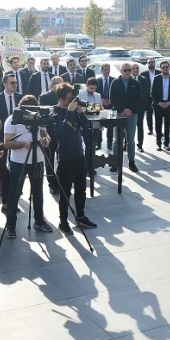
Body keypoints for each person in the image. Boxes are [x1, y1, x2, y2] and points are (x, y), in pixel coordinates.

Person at [3, 95, 51, 239]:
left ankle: (39, 220)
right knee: (15, 192)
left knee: (38, 191)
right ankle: (11, 225)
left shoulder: (39, 118)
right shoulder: (12, 119)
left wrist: (46, 139)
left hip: (38, 160)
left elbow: (44, 134)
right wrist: (23, 144)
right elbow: (7, 143)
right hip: (18, 161)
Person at [54, 83, 96, 234]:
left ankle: (81, 216)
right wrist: (70, 112)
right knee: (65, 193)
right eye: (69, 98)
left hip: (79, 155)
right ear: (61, 98)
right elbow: (61, 133)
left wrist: (80, 112)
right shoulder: (55, 112)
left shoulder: (74, 110)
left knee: (81, 189)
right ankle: (63, 221)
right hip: (65, 158)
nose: (72, 100)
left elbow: (85, 126)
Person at [110, 62, 141, 172]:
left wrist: (129, 110)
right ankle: (114, 162)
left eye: (129, 70)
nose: (128, 72)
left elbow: (138, 99)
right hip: (119, 114)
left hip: (132, 114)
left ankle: (131, 162)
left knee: (131, 140)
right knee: (117, 139)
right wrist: (122, 110)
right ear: (121, 71)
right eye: (125, 70)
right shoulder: (115, 83)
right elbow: (113, 99)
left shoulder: (136, 83)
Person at [151, 60, 170, 151]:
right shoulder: (156, 78)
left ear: (169, 68)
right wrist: (159, 102)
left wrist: (169, 103)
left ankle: (166, 144)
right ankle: (158, 143)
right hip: (159, 105)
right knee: (158, 125)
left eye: (166, 67)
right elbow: (153, 93)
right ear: (161, 69)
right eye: (163, 67)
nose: (165, 69)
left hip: (169, 105)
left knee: (167, 125)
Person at [131, 63, 151, 153]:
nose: (135, 70)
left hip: (140, 108)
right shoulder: (128, 80)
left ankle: (140, 145)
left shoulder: (143, 79)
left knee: (140, 126)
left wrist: (140, 105)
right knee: (129, 127)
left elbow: (146, 94)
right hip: (130, 109)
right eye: (133, 68)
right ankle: (127, 144)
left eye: (137, 68)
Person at [139, 59, 158, 136]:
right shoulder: (143, 74)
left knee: (158, 114)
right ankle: (150, 129)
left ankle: (158, 129)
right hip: (148, 97)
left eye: (152, 62)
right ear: (147, 64)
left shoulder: (159, 73)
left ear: (154, 63)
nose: (151, 64)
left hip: (157, 97)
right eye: (149, 63)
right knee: (149, 114)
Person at [97, 63, 114, 149]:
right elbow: (94, 94)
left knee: (110, 126)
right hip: (100, 106)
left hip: (111, 107)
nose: (107, 71)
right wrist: (101, 101)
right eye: (105, 70)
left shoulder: (113, 80)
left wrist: (111, 101)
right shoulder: (97, 81)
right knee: (98, 126)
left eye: (108, 70)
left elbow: (116, 94)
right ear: (102, 71)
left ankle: (109, 143)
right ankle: (98, 143)